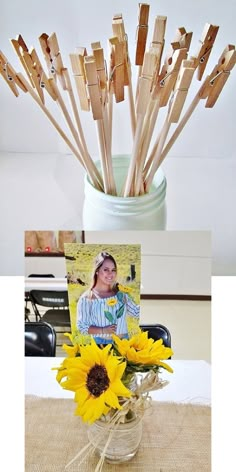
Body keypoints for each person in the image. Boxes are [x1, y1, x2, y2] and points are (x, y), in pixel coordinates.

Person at [76, 251, 140, 344]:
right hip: (101, 344)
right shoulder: (87, 298)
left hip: (124, 342)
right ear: (97, 271)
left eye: (113, 270)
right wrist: (103, 330)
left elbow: (135, 311)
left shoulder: (120, 294)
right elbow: (81, 326)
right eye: (106, 270)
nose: (111, 274)